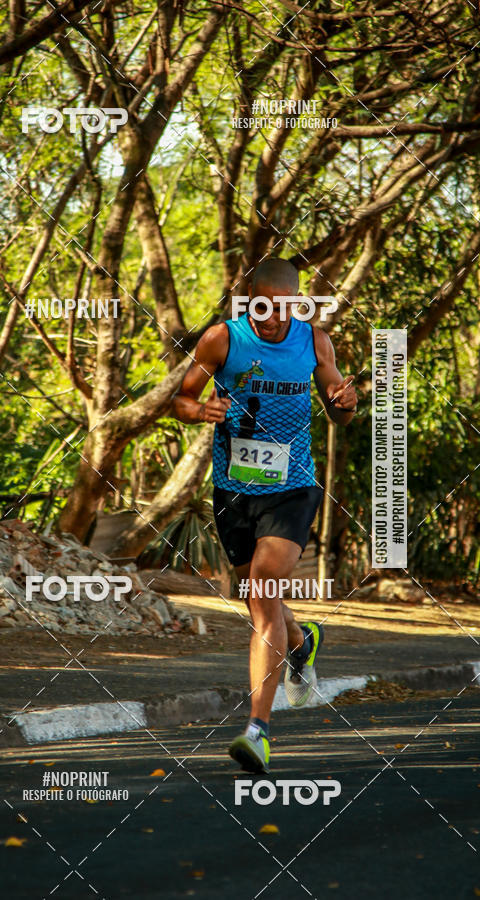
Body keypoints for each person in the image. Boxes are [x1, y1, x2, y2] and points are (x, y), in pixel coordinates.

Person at [172, 258, 357, 774]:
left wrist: (347, 403)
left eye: (282, 307)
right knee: (261, 602)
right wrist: (199, 410)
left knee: (264, 584)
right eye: (261, 305)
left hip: (292, 487)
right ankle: (301, 642)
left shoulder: (314, 343)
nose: (271, 317)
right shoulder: (221, 340)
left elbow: (340, 409)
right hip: (234, 491)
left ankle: (258, 730)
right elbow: (181, 399)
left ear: (295, 304)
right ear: (248, 298)